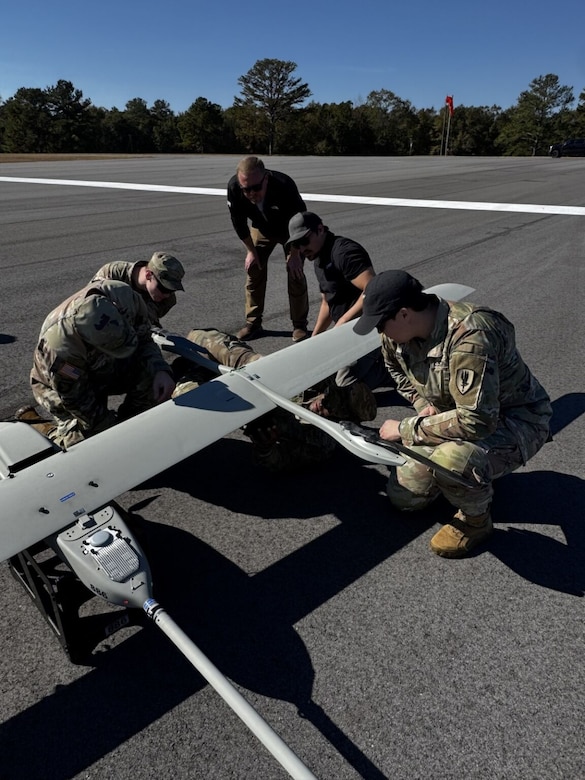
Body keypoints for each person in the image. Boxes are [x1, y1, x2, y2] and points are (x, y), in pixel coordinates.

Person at [353, 270, 552, 558]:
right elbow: (398, 372)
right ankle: (463, 476)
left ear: (405, 314)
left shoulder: (471, 336)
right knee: (405, 499)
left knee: (453, 461)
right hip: (457, 416)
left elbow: (477, 421)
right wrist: (424, 408)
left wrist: (408, 429)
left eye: (381, 324)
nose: (379, 332)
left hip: (514, 421)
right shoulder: (396, 336)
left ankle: (476, 521)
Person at [28, 279, 176, 449]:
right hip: (64, 385)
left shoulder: (125, 296)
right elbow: (78, 401)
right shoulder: (60, 349)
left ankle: (135, 422)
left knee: (151, 380)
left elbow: (144, 338)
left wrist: (160, 369)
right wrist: (110, 428)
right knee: (84, 442)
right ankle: (42, 428)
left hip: (105, 365)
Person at [286, 210, 389, 417]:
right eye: (297, 245)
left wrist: (342, 320)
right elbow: (327, 301)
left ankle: (390, 367)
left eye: (305, 240)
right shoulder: (318, 258)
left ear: (321, 229)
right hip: (347, 331)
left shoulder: (344, 252)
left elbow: (372, 290)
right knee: (318, 374)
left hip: (366, 329)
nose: (302, 248)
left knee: (343, 386)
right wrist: (314, 338)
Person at [227, 156, 309, 343]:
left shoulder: (284, 184)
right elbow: (239, 224)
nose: (251, 193)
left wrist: (295, 254)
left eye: (256, 187)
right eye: (246, 189)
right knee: (254, 269)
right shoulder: (234, 188)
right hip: (262, 228)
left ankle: (299, 325)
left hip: (290, 230)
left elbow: (300, 220)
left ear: (266, 178)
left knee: (295, 272)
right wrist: (251, 251)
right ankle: (253, 323)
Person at [90, 251, 185, 327]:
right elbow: (89, 305)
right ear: (148, 275)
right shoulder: (113, 274)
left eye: (172, 290)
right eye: (164, 289)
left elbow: (149, 325)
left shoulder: (167, 300)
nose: (167, 295)